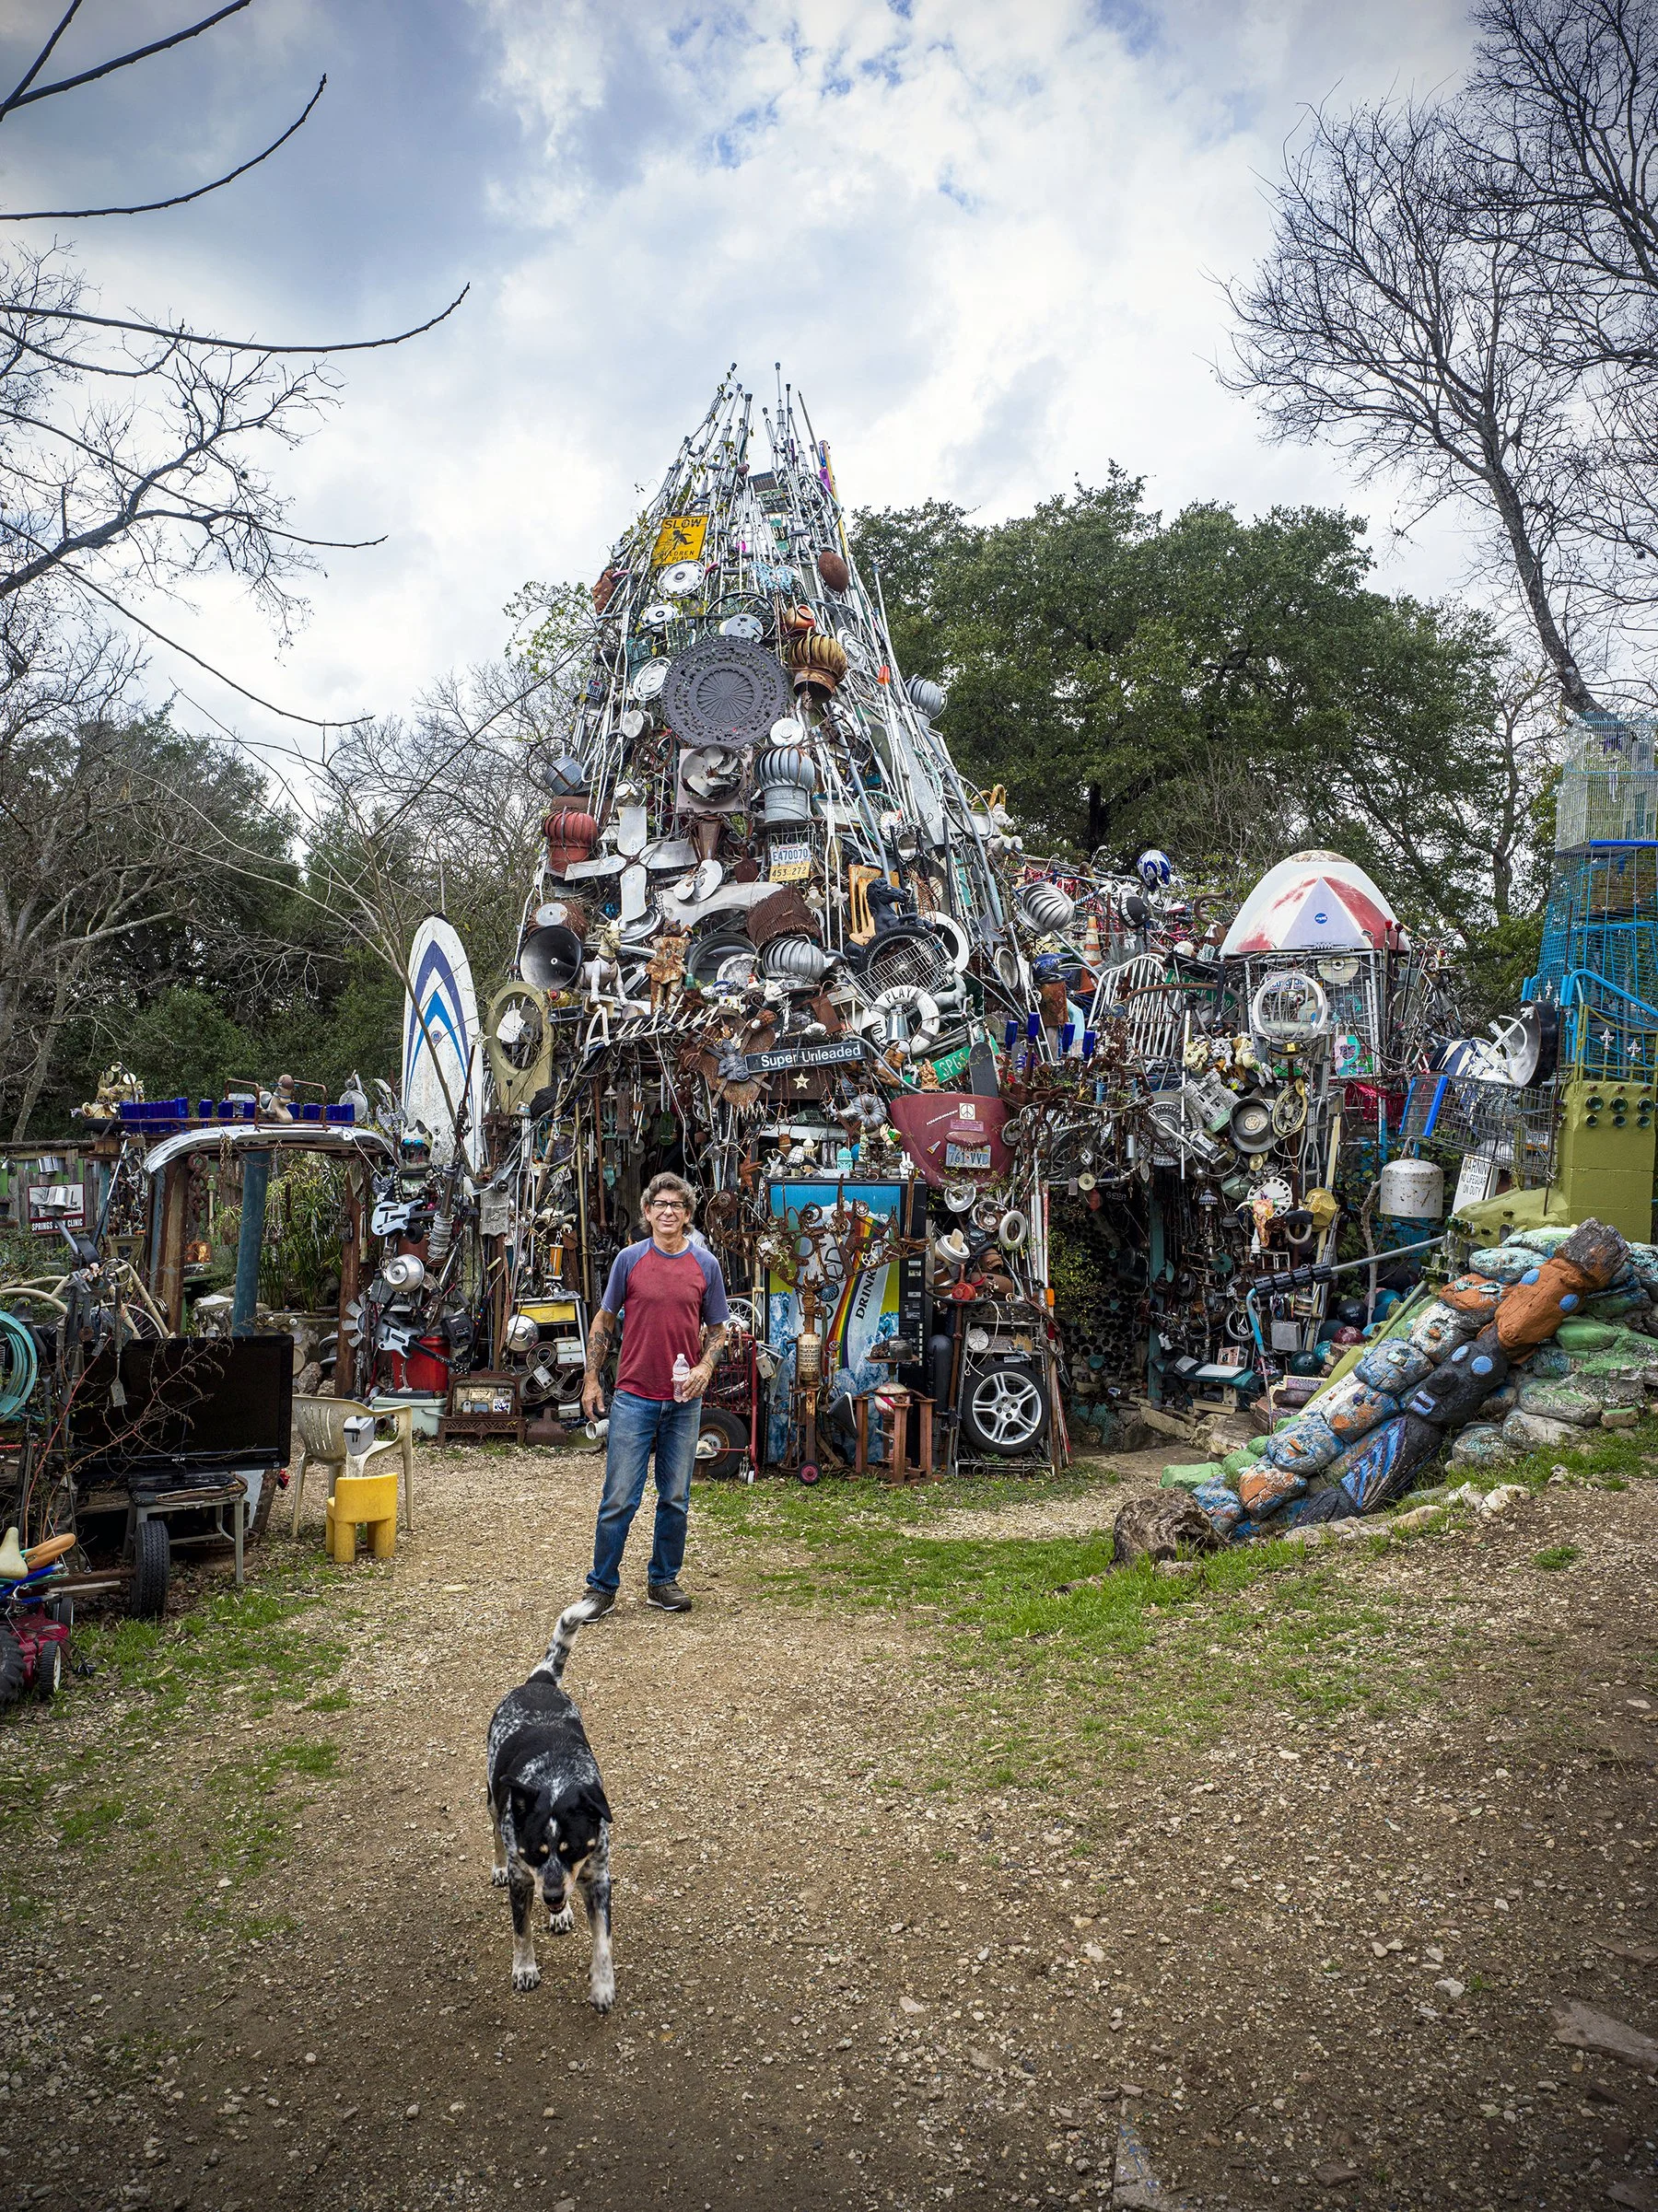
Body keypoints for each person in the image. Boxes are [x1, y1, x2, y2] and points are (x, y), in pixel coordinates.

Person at [579, 1172, 729, 1614]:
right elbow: (604, 1321)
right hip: (634, 1395)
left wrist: (705, 1366)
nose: (668, 1212)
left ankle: (662, 1581)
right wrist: (591, 1378)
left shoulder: (705, 1265)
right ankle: (601, 1588)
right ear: (647, 1211)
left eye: (676, 1205)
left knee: (675, 1498)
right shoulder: (629, 1260)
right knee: (619, 1499)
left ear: (687, 1213)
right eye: (660, 1204)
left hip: (684, 1401)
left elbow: (718, 1329)